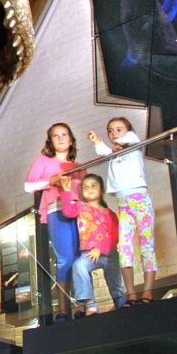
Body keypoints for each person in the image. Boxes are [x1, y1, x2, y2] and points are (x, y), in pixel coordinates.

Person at [87, 117, 157, 304]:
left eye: (118, 129)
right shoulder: (114, 153)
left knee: (147, 246)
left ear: (128, 130)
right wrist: (97, 141)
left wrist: (119, 142)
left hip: (141, 201)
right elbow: (105, 152)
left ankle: (148, 292)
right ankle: (131, 294)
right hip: (124, 204)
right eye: (110, 131)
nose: (114, 133)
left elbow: (131, 139)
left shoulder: (133, 145)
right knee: (125, 247)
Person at [25, 122, 82, 321]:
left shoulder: (78, 166)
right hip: (56, 210)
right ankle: (63, 309)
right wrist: (52, 181)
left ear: (71, 139)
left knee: (79, 258)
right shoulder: (43, 161)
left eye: (64, 134)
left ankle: (82, 305)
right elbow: (28, 186)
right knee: (65, 258)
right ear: (50, 140)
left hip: (79, 213)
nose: (60, 138)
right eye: (55, 135)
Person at [60, 173, 128, 317]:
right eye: (85, 187)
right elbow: (68, 212)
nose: (89, 189)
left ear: (101, 190)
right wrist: (66, 191)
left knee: (115, 281)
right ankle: (91, 305)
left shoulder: (110, 214)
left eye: (93, 186)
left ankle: (121, 302)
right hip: (88, 253)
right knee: (79, 266)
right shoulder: (81, 207)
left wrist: (100, 249)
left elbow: (114, 236)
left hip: (109, 253)